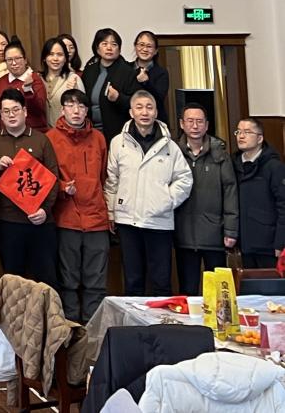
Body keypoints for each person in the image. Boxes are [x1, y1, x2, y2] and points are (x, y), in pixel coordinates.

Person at [104, 90, 192, 296]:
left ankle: (162, 318)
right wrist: (111, 211)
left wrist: (166, 200)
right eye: (139, 107)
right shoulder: (118, 142)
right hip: (128, 220)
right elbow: (112, 180)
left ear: (156, 112)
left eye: (149, 107)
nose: (145, 112)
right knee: (133, 281)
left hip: (159, 221)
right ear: (131, 112)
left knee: (161, 281)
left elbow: (185, 179)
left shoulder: (170, 146)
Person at [47, 89, 110, 322]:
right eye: (71, 105)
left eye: (81, 106)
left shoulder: (99, 138)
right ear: (62, 109)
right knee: (68, 281)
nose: (76, 111)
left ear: (87, 110)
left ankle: (93, 332)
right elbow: (45, 177)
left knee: (96, 281)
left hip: (96, 217)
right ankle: (71, 330)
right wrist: (63, 187)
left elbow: (105, 177)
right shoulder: (50, 138)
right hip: (66, 218)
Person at [0, 88, 59, 286]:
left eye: (15, 110)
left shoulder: (41, 139)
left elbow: (54, 178)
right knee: (13, 282)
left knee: (46, 281)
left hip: (41, 222)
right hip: (9, 222)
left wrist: (45, 210)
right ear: (1, 114)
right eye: (6, 111)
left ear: (25, 111)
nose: (11, 115)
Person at [174, 104, 238, 295]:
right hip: (183, 233)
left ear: (207, 125)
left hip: (215, 233)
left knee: (218, 293)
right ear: (182, 124)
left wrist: (231, 230)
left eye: (199, 121)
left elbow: (230, 191)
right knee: (187, 291)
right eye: (190, 121)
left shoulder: (220, 154)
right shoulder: (173, 153)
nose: (195, 126)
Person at [233, 118, 285, 268]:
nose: (241, 136)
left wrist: (280, 242)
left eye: (247, 132)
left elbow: (283, 206)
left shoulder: (274, 167)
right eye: (238, 132)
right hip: (243, 244)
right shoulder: (233, 164)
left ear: (260, 138)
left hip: (268, 245)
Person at [84, 28, 135, 136]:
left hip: (117, 132)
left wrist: (118, 98)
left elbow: (136, 102)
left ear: (119, 50)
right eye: (104, 44)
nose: (109, 48)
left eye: (114, 44)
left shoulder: (127, 72)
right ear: (97, 49)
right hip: (90, 131)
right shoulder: (89, 70)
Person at [0, 39, 47, 132]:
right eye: (9, 60)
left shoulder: (34, 79)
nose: (14, 63)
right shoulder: (1, 82)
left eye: (17, 58)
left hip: (32, 133)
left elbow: (39, 109)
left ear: (25, 60)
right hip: (6, 133)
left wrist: (28, 90)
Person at [40, 38, 83, 132]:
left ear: (65, 58)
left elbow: (82, 109)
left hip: (67, 133)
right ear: (44, 58)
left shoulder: (73, 78)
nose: (55, 58)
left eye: (60, 54)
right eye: (51, 54)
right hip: (43, 133)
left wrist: (75, 92)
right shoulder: (37, 79)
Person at [131, 31, 169, 124]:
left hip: (155, 122)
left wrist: (146, 82)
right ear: (135, 47)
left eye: (149, 46)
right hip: (130, 121)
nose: (145, 49)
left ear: (155, 51)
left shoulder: (161, 72)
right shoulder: (126, 69)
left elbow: (159, 99)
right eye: (141, 45)